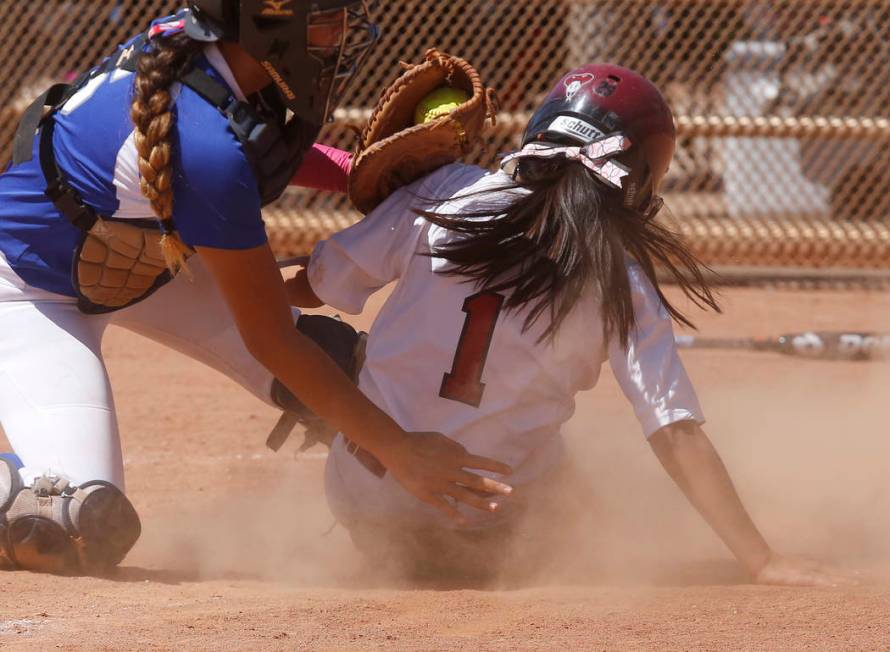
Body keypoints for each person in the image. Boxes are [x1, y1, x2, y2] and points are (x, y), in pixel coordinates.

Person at [285, 64, 852, 586]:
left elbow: (314, 288)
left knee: (341, 352)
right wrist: (762, 559)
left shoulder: (446, 192)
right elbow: (675, 431)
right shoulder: (620, 279)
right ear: (638, 177)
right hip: (491, 537)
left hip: (368, 503)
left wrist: (385, 210)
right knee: (576, 485)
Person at [0, 0, 512, 575]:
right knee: (80, 530)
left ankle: (419, 529)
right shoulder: (204, 147)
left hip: (143, 267)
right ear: (265, 24)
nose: (343, 32)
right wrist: (400, 451)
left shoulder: (207, 56)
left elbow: (252, 143)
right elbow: (270, 337)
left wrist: (353, 170)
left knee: (343, 368)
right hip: (25, 290)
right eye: (324, 17)